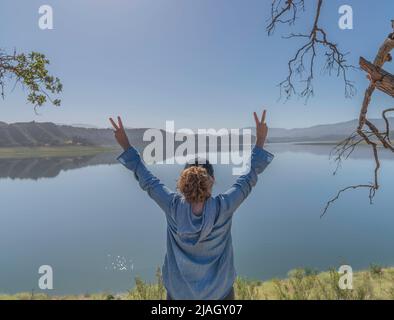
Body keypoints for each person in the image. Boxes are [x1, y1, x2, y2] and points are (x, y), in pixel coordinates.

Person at [109, 110, 274, 300]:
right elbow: (248, 178)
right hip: (220, 295)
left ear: (182, 183)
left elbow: (147, 179)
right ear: (211, 180)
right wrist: (260, 140)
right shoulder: (224, 207)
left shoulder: (173, 206)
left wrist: (126, 145)